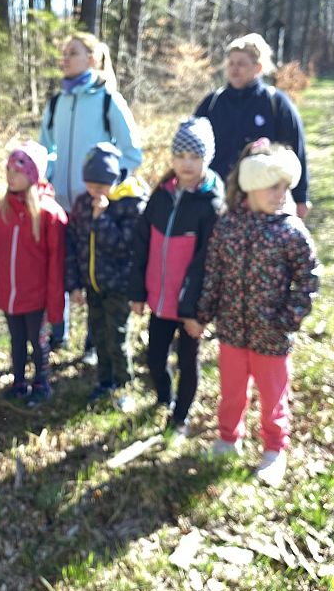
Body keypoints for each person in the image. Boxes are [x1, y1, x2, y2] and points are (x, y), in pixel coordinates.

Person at [196, 139, 319, 487]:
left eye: (285, 187)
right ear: (251, 185)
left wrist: (288, 319)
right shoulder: (228, 226)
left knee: (272, 395)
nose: (281, 194)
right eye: (272, 186)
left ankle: (274, 449)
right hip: (232, 331)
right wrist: (203, 313)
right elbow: (214, 273)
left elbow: (309, 279)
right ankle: (228, 439)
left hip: (272, 335)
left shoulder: (290, 231)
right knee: (232, 390)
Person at [40, 32, 142, 354]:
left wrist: (108, 188)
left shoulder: (108, 100)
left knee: (95, 272)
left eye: (73, 52)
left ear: (93, 59)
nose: (65, 58)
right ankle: (58, 333)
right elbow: (45, 150)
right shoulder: (56, 102)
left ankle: (92, 343)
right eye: (64, 52)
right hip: (58, 205)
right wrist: (49, 178)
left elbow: (132, 153)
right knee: (61, 267)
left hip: (95, 207)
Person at [129, 118, 224, 441]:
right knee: (155, 358)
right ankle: (163, 397)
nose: (187, 164)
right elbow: (142, 243)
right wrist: (137, 291)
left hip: (190, 307)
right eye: (181, 155)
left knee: (187, 362)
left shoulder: (211, 205)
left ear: (206, 158)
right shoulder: (161, 195)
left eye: (195, 157)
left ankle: (180, 416)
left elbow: (209, 265)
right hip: (160, 299)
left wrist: (199, 312)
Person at [0, 141, 66, 407]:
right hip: (10, 294)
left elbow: (56, 264)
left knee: (37, 341)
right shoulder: (1, 210)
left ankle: (42, 382)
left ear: (32, 174)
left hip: (36, 296)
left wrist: (54, 305)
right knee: (16, 340)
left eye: (17, 171)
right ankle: (18, 381)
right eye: (8, 170)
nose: (11, 176)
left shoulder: (48, 214)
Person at [65, 143, 146, 410]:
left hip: (119, 285)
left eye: (101, 187)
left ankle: (124, 384)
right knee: (98, 335)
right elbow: (74, 243)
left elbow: (125, 246)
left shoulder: (129, 204)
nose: (94, 192)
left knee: (117, 337)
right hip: (93, 284)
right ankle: (104, 381)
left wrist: (101, 219)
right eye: (90, 186)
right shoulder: (82, 204)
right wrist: (74, 284)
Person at [195, 33, 310, 219]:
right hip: (215, 198)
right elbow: (194, 148)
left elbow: (297, 150)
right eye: (231, 63)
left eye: (241, 64)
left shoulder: (276, 102)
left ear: (258, 67)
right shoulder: (213, 103)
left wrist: (301, 197)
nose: (234, 69)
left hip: (263, 200)